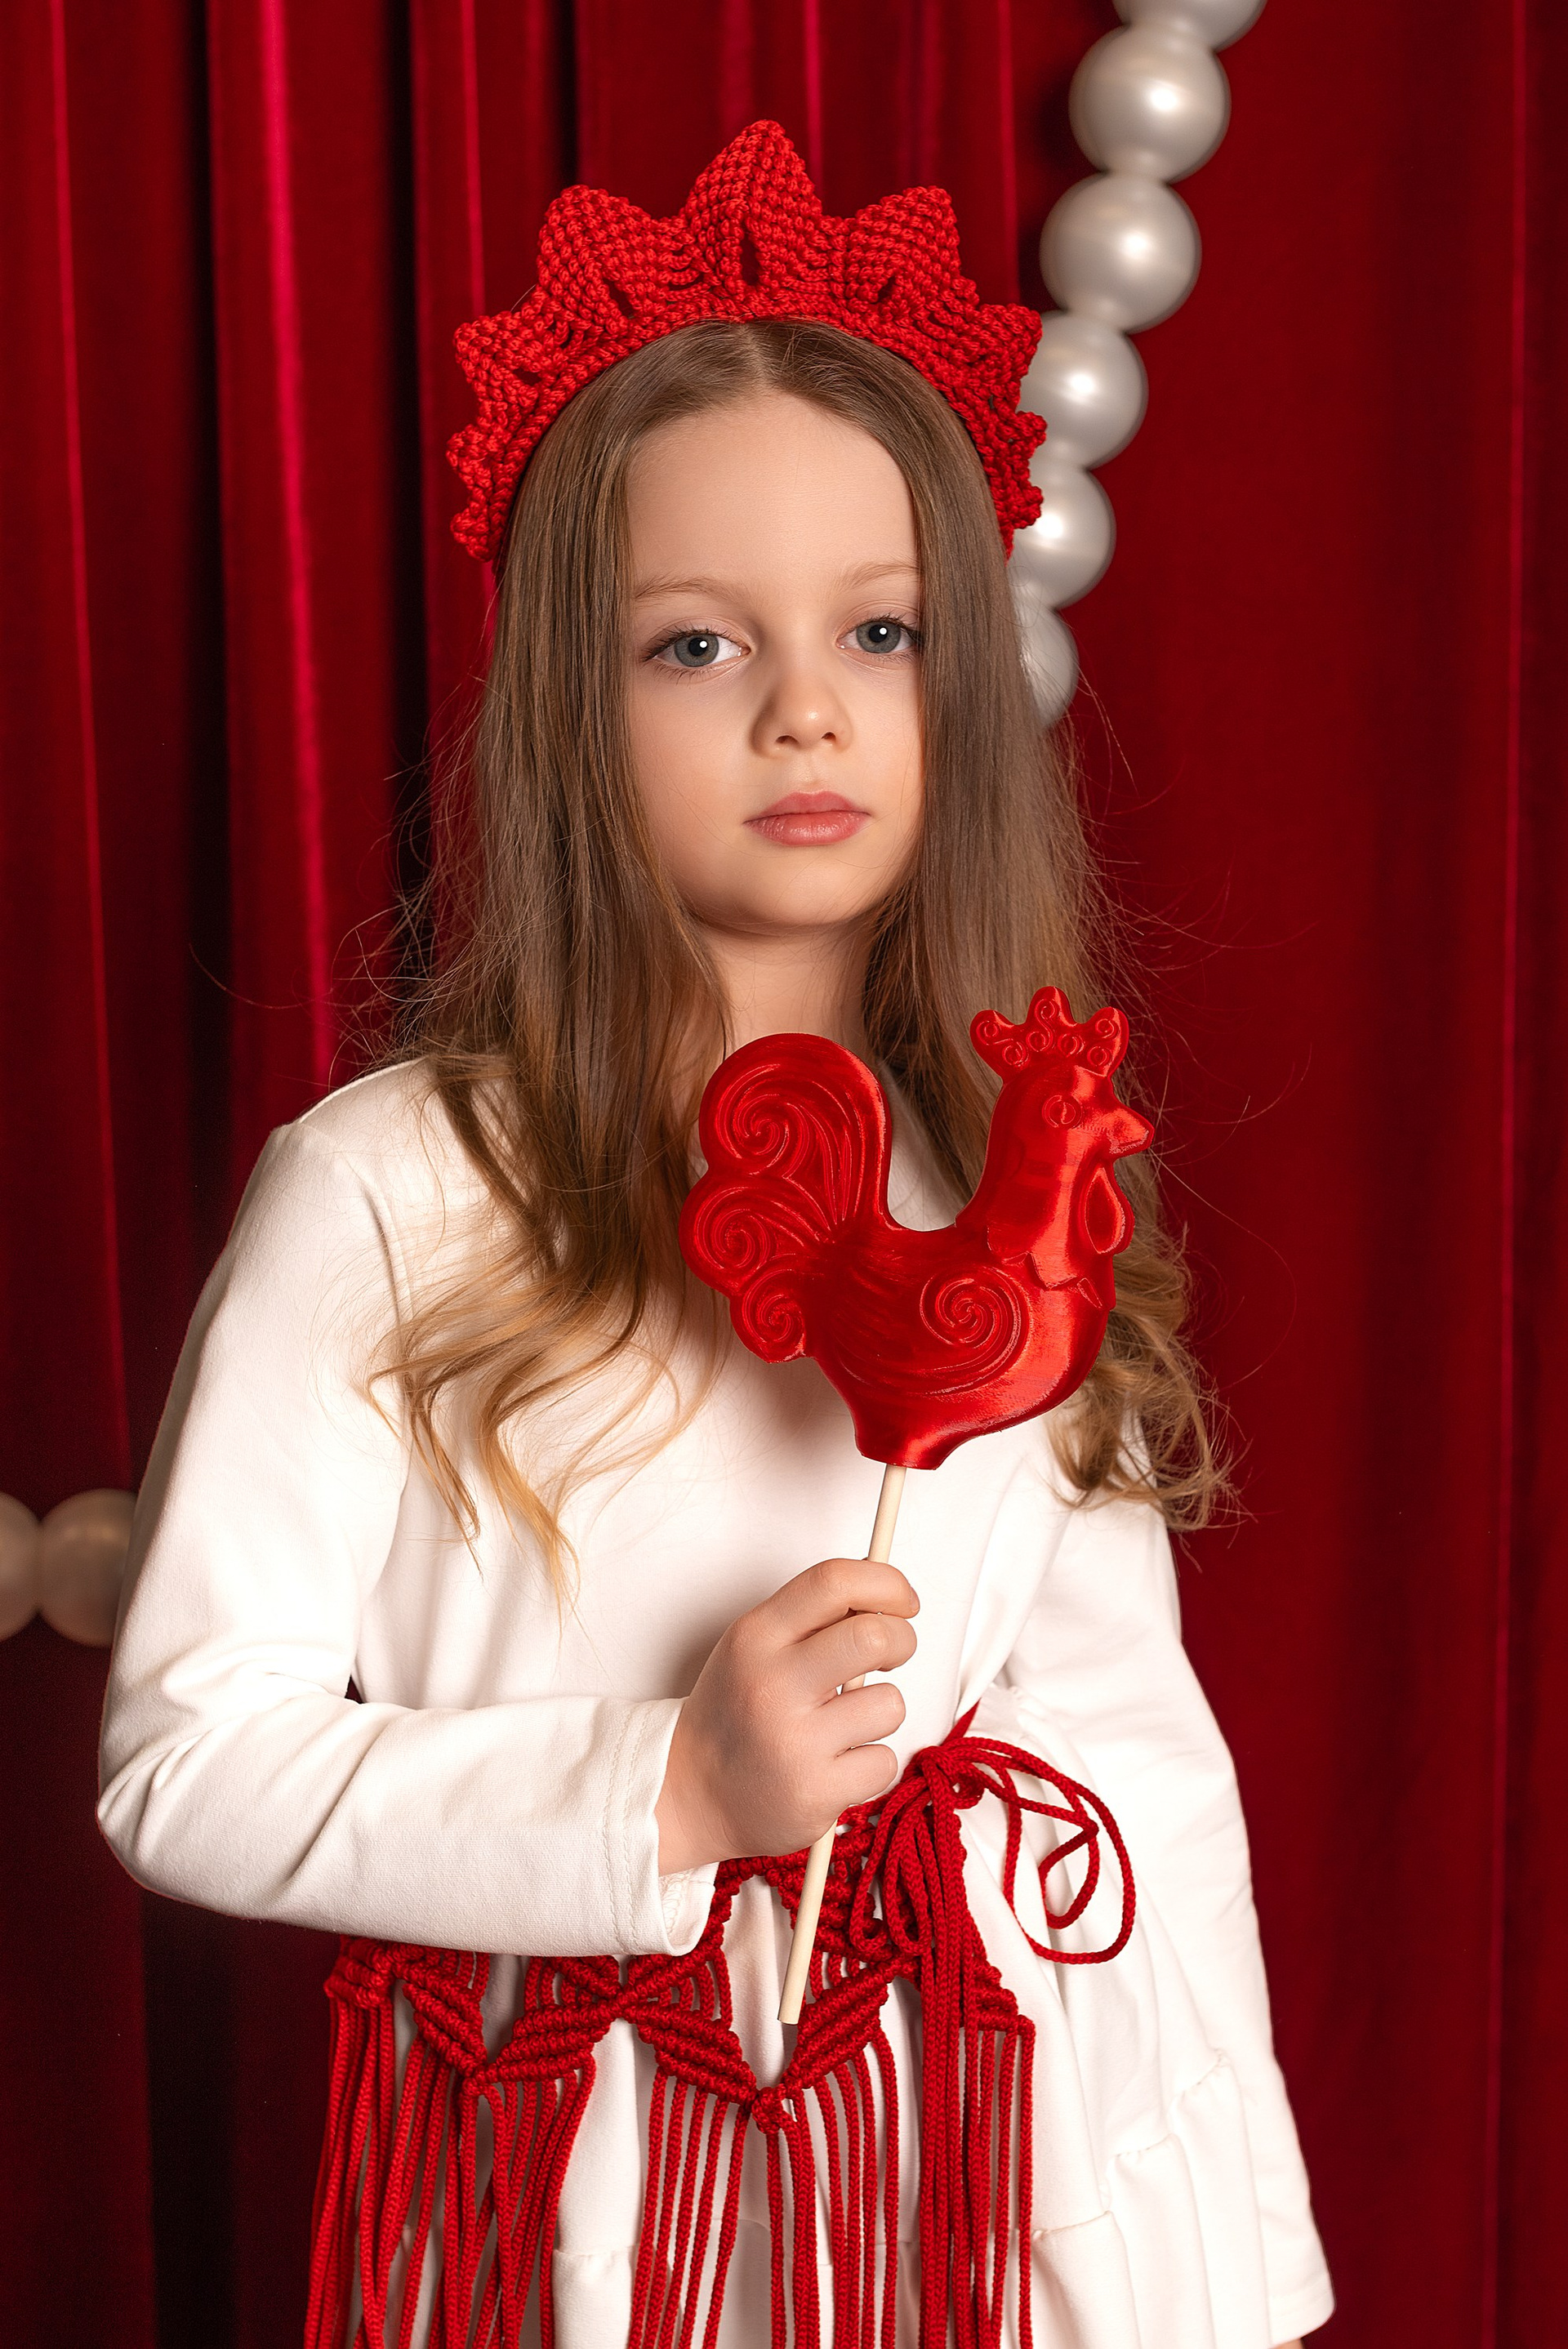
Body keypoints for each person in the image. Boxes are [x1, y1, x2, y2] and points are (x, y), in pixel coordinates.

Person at [98, 123, 1331, 2349]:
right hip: (585, 2210)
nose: (805, 705)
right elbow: (187, 1756)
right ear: (573, 703)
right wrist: (667, 1783)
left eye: (881, 628)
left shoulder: (1005, 1180)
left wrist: (1219, 2275)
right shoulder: (393, 1190)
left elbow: (1135, 1767)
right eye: (696, 643)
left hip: (965, 2200)